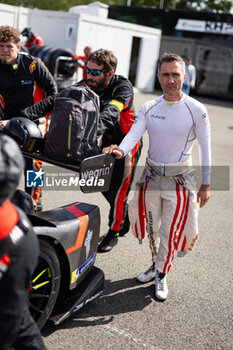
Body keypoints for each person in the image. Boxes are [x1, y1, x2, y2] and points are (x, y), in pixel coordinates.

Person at [102, 53, 211, 300]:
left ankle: (162, 272)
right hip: (151, 178)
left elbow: (206, 147)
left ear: (184, 76)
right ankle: (156, 264)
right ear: (159, 76)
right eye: (166, 74)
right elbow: (133, 134)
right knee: (152, 229)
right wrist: (120, 149)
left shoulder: (197, 109)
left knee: (170, 232)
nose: (171, 80)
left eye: (175, 74)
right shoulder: (150, 107)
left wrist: (205, 184)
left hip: (181, 180)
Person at [20, 48, 142, 252]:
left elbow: (111, 113)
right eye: (87, 70)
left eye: (95, 72)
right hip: (101, 141)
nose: (89, 75)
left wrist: (89, 135)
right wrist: (25, 115)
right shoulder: (88, 83)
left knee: (119, 193)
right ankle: (122, 215)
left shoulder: (122, 87)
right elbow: (57, 100)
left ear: (109, 73)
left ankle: (114, 232)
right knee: (99, 184)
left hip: (126, 144)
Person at [0, 25, 57, 210]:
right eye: (1, 46)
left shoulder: (33, 64)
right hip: (6, 123)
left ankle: (35, 203)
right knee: (5, 162)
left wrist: (38, 117)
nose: (4, 50)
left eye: (9, 46)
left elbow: (54, 94)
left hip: (34, 122)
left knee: (33, 165)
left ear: (18, 46)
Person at [0, 134, 47, 350]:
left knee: (35, 170)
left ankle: (35, 200)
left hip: (31, 135)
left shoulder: (15, 237)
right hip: (14, 130)